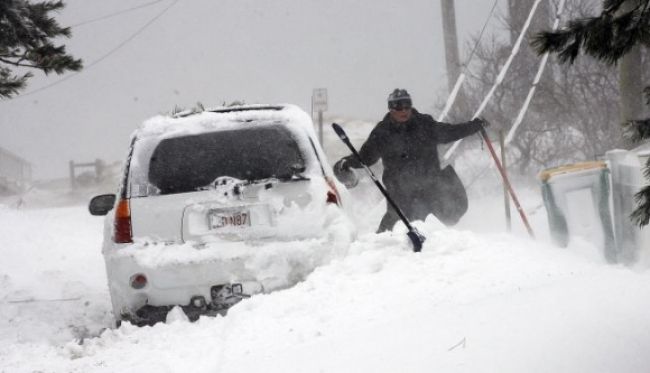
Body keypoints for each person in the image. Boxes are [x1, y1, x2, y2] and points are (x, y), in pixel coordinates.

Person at [333, 88, 488, 232]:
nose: (404, 111)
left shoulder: (424, 124)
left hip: (430, 188)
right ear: (391, 109)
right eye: (399, 107)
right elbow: (366, 157)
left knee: (431, 230)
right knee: (388, 236)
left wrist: (474, 126)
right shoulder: (383, 132)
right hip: (399, 194)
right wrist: (347, 162)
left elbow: (449, 132)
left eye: (407, 106)